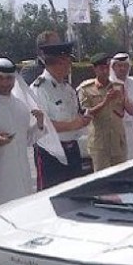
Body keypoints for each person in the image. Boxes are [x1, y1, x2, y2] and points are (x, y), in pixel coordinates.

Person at [0, 56, 45, 203]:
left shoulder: (20, 106)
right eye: (0, 78)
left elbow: (25, 140)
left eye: (9, 78)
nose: (5, 83)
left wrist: (39, 124)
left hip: (21, 177)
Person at [31, 41, 91, 189]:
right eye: (67, 62)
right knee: (50, 195)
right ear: (55, 63)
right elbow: (41, 124)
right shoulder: (39, 88)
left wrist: (82, 121)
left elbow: (74, 114)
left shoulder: (68, 89)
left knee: (74, 191)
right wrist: (72, 125)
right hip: (51, 152)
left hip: (72, 149)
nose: (69, 67)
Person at [77, 53, 133, 171]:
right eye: (101, 68)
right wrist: (105, 102)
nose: (105, 71)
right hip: (100, 145)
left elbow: (132, 111)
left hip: (118, 143)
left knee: (120, 179)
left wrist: (123, 99)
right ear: (94, 69)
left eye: (107, 67)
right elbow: (86, 114)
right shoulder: (86, 88)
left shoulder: (118, 86)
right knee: (103, 182)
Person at [109, 52, 133, 159]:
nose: (122, 69)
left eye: (125, 66)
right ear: (113, 67)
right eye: (119, 65)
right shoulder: (107, 85)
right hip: (115, 132)